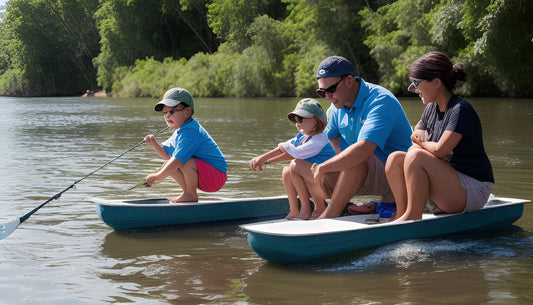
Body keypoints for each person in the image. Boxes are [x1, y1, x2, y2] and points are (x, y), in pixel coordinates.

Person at [385, 51, 494, 221]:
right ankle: (403, 213)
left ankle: (413, 216)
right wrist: (419, 143)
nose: (413, 89)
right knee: (395, 159)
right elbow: (416, 141)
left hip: (473, 188)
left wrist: (420, 143)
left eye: (416, 83)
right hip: (449, 181)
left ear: (436, 82)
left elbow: (440, 150)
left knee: (416, 156)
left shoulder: (460, 110)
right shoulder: (430, 109)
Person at [311, 55, 413, 219]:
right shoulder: (336, 107)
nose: (328, 97)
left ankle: (330, 215)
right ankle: (341, 205)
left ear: (350, 80)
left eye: (331, 89)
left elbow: (362, 151)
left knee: (354, 158)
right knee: (300, 165)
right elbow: (332, 136)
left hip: (401, 176)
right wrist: (337, 165)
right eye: (322, 92)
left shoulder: (380, 100)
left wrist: (325, 167)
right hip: (371, 173)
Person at [250, 98, 336, 220]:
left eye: (301, 119)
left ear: (316, 120)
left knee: (295, 164)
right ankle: (294, 211)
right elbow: (287, 150)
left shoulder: (319, 139)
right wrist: (265, 160)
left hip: (329, 186)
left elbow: (294, 153)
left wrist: (263, 158)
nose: (298, 123)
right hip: (316, 183)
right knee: (287, 171)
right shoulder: (304, 136)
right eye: (296, 120)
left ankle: (316, 208)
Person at [144, 87, 227, 202]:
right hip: (204, 175)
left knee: (181, 160)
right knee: (168, 162)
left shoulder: (191, 130)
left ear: (187, 112)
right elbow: (165, 154)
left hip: (216, 175)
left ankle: (190, 195)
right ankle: (187, 193)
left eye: (171, 112)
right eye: (165, 112)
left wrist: (158, 176)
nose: (167, 116)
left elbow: (178, 160)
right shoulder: (181, 131)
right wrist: (154, 143)